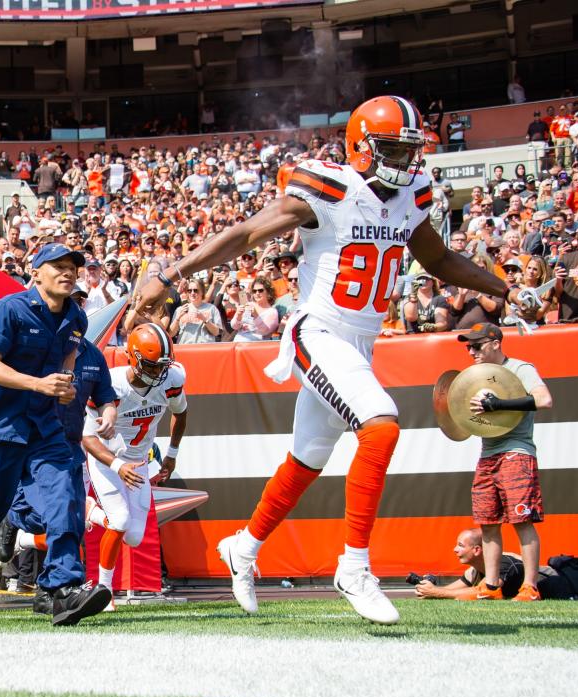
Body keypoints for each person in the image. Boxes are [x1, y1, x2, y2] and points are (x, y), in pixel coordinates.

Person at [133, 96, 520, 625]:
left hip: (360, 342)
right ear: (360, 147)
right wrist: (170, 275)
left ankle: (243, 547)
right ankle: (354, 568)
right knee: (380, 426)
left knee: (306, 460)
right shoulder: (329, 188)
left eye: (410, 150)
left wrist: (495, 282)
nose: (405, 162)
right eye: (392, 149)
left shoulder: (411, 195)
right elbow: (245, 234)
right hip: (317, 331)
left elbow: (437, 258)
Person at [0, 243, 116, 626]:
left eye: (73, 268)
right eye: (58, 267)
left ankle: (62, 588)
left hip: (46, 427)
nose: (68, 273)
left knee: (65, 496)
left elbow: (68, 356)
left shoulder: (77, 318)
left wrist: (65, 382)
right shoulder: (10, 309)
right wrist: (40, 384)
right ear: (36, 273)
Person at [0, 292, 117, 609]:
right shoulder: (31, 349)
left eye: (76, 305)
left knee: (72, 522)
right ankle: (16, 523)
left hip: (71, 448)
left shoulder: (92, 355)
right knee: (53, 515)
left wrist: (109, 414)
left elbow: (105, 395)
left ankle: (50, 592)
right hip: (34, 447)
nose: (69, 313)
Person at [83, 323, 188, 611]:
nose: (160, 372)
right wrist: (117, 465)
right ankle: (104, 591)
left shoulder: (171, 378)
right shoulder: (112, 385)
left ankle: (92, 512)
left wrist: (172, 453)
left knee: (134, 535)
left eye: (163, 366)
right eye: (153, 366)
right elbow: (88, 437)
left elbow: (181, 412)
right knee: (119, 521)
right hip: (108, 458)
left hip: (139, 461)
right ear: (134, 357)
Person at [457, 323, 553, 601]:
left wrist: (499, 404)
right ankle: (491, 585)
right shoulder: (476, 376)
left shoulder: (520, 368)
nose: (471, 351)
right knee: (487, 522)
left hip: (517, 451)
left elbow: (544, 399)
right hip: (488, 454)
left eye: (477, 346)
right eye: (468, 347)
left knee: (521, 519)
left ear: (496, 343)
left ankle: (530, 587)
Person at [414, 528, 558, 600]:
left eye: (460, 545)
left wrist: (436, 592)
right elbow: (449, 590)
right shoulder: (474, 570)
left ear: (477, 550)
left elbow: (480, 593)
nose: (455, 549)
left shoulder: (504, 563)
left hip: (562, 584)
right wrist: (428, 589)